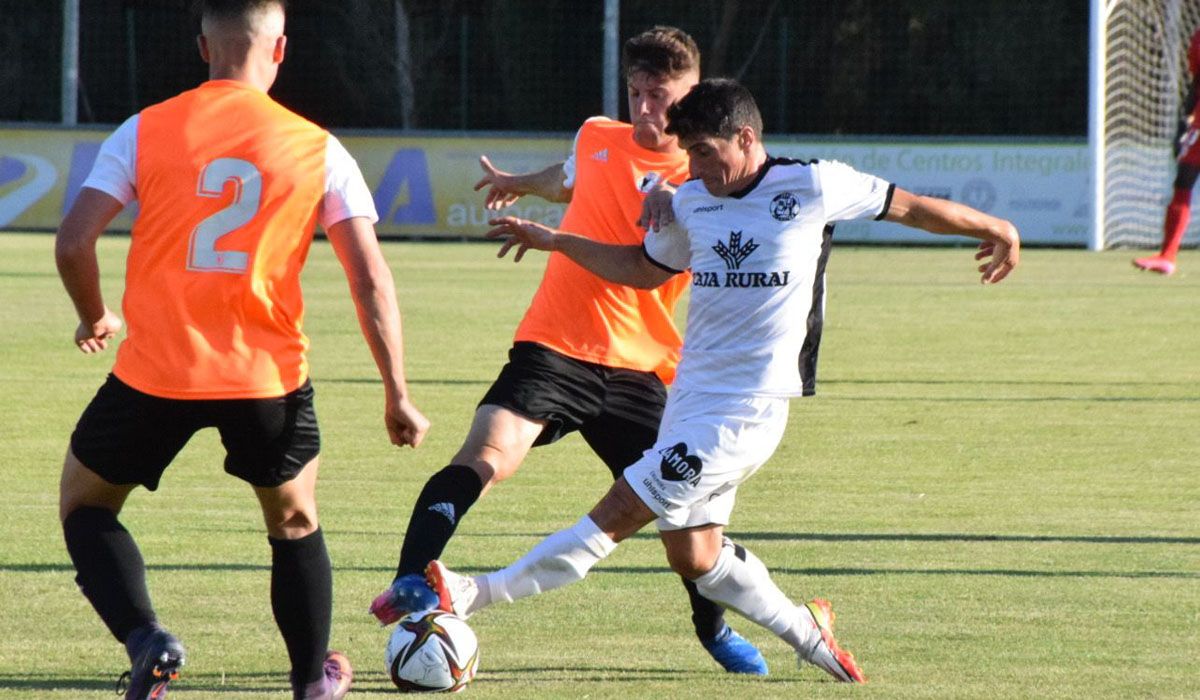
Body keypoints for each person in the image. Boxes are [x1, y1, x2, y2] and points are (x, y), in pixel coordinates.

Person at [423, 78, 1021, 683]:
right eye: (690, 155)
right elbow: (642, 269)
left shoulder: (813, 185)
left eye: (705, 152)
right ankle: (809, 632)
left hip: (749, 409)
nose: (696, 167)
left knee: (623, 507)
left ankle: (475, 594)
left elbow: (913, 207)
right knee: (694, 554)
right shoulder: (689, 200)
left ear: (747, 137)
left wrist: (994, 226)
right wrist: (557, 240)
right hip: (688, 397)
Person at [55, 1, 429, 698]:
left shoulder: (144, 130)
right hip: (267, 378)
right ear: (279, 49)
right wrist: (397, 392)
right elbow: (369, 276)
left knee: (86, 507)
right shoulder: (318, 146)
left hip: (155, 374)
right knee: (293, 521)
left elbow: (74, 240)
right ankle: (310, 682)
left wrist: (94, 315)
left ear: (203, 47)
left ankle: (147, 639)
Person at [368, 26, 769, 675]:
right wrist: (522, 181)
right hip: (556, 343)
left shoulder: (708, 179)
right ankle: (413, 578)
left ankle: (713, 628)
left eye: (661, 97)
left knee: (688, 522)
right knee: (485, 454)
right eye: (637, 93)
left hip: (643, 365)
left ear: (694, 95)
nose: (646, 110)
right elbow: (574, 175)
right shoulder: (597, 135)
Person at [1133, 28, 1200, 275]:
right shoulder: (1198, 38)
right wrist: (1185, 119)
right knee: (1183, 180)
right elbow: (1197, 81)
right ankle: (1167, 256)